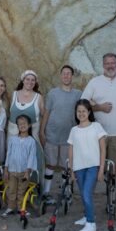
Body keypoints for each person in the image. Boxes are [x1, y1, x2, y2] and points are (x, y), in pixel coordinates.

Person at [81, 53, 116, 174]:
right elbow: (82, 104)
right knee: (96, 165)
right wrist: (99, 107)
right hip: (98, 133)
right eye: (107, 63)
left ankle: (111, 192)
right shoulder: (94, 82)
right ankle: (93, 192)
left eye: (112, 63)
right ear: (103, 65)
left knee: (115, 167)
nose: (110, 66)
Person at [40, 65, 82, 200]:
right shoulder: (53, 93)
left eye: (69, 73)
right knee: (50, 164)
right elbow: (46, 112)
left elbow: (82, 112)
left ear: (72, 76)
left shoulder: (78, 94)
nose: (66, 76)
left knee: (67, 165)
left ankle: (66, 190)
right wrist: (42, 130)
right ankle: (46, 191)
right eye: (64, 73)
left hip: (69, 136)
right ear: (60, 76)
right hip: (52, 133)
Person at [68, 100, 107, 231]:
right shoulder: (74, 130)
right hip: (79, 167)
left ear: (89, 112)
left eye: (84, 111)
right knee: (83, 194)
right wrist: (72, 169)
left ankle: (91, 223)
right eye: (79, 111)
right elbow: (71, 152)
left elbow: (103, 149)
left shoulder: (96, 127)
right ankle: (86, 216)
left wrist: (101, 169)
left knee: (86, 193)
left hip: (93, 166)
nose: (81, 114)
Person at [3, 115, 40, 217]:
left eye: (24, 124)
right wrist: (6, 169)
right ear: (17, 126)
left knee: (21, 191)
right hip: (12, 170)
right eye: (20, 124)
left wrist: (28, 171)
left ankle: (21, 208)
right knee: (11, 190)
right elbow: (8, 154)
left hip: (24, 171)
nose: (22, 125)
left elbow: (31, 157)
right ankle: (10, 207)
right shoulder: (13, 139)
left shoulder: (31, 141)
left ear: (29, 125)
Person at [9, 70, 46, 156]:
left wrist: (42, 131)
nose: (30, 82)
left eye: (33, 80)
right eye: (27, 79)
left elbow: (44, 115)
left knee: (31, 160)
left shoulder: (39, 97)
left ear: (35, 82)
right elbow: (9, 112)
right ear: (23, 80)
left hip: (32, 136)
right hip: (13, 135)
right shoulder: (14, 95)